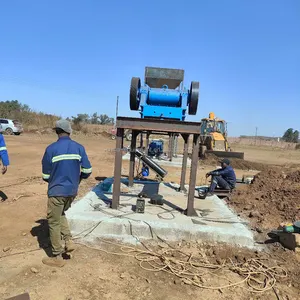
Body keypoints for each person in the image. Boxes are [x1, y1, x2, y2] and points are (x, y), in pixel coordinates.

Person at [41, 119, 92, 267]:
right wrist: (76, 180)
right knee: (61, 214)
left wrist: (55, 181)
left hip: (56, 190)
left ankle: (57, 256)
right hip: (72, 191)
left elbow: (45, 176)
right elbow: (88, 171)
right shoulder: (79, 148)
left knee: (53, 221)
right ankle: (68, 240)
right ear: (69, 131)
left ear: (57, 132)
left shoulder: (51, 149)